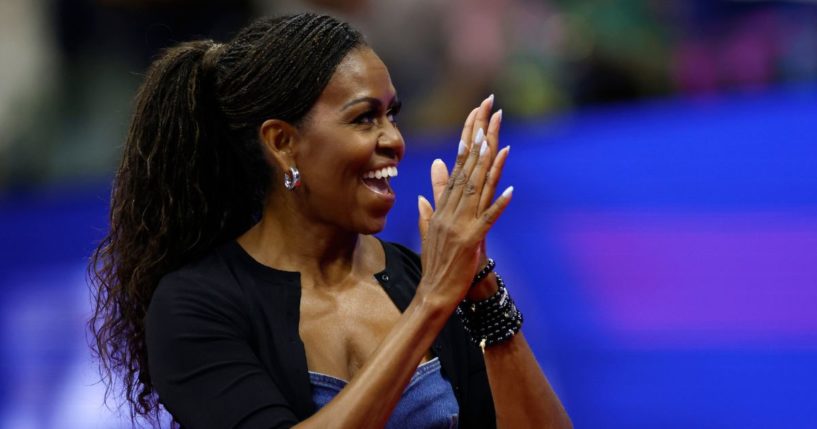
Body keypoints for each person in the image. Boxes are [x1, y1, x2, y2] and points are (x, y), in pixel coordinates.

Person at [89, 13, 571, 428]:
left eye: (392, 115)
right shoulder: (194, 306)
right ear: (282, 142)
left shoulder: (416, 279)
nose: (394, 140)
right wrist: (431, 303)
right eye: (364, 119)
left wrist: (479, 289)